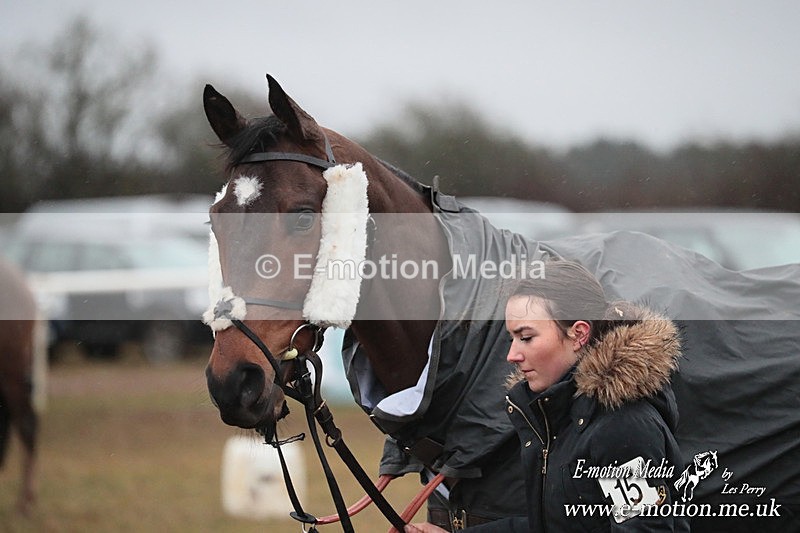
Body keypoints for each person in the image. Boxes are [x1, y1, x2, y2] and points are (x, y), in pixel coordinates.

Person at [413, 260, 689, 532]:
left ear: (578, 333)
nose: (512, 355)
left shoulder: (621, 426)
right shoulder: (555, 416)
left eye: (526, 337)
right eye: (511, 338)